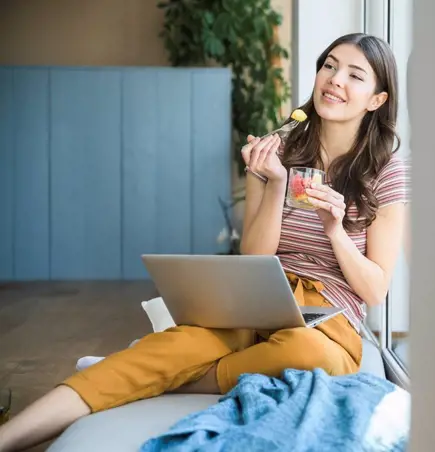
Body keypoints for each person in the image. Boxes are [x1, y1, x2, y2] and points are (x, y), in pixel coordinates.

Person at [0, 32, 409, 452]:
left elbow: (374, 289)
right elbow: (254, 256)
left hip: (330, 313)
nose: (335, 79)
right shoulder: (276, 150)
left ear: (376, 100)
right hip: (261, 293)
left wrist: (334, 231)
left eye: (355, 75)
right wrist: (276, 185)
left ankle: (170, 376)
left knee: (312, 355)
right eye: (329, 65)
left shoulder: (385, 169)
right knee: (177, 344)